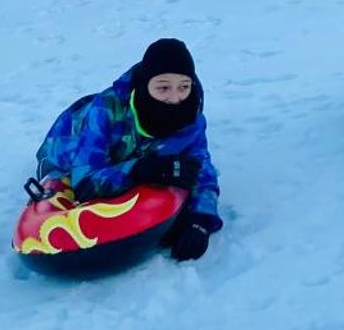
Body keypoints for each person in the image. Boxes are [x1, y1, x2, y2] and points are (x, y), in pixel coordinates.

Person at [32, 37, 222, 261]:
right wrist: (140, 170)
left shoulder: (191, 116)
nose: (175, 98)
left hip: (131, 152)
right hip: (69, 140)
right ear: (145, 84)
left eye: (183, 87)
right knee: (62, 172)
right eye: (163, 87)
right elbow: (84, 182)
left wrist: (201, 220)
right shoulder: (104, 111)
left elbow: (203, 170)